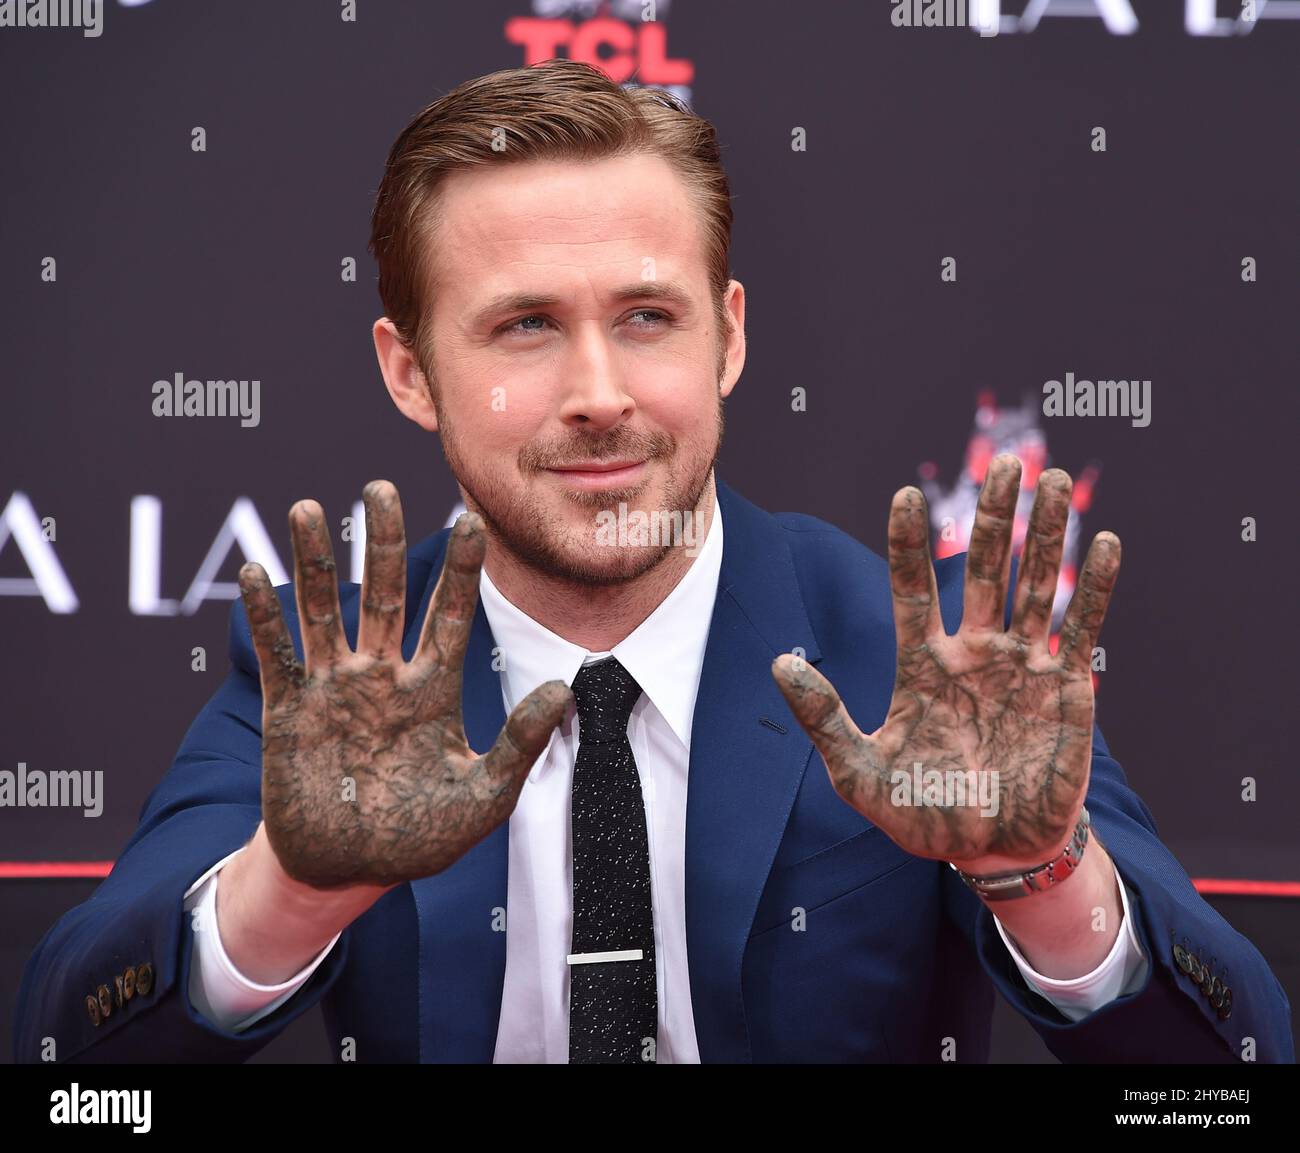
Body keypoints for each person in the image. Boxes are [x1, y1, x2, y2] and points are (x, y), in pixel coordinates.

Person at [14, 59, 1292, 1065]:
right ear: (410, 370)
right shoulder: (336, 675)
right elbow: (68, 1059)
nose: (598, 394)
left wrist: (1038, 879)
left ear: (727, 338)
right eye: (523, 326)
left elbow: (1226, 1068)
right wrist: (289, 892)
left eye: (645, 318)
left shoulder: (922, 656)